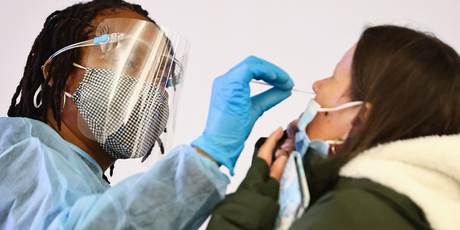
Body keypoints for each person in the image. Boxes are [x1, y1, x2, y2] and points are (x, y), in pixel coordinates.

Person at [0, 0, 294, 229]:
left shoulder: (86, 185)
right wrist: (210, 151)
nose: (153, 88)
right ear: (57, 74)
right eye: (130, 61)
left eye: (164, 78)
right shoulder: (15, 149)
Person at [207, 25, 460, 230]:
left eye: (334, 76)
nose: (317, 85)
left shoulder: (349, 214)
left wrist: (241, 215)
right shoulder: (414, 206)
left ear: (361, 119)